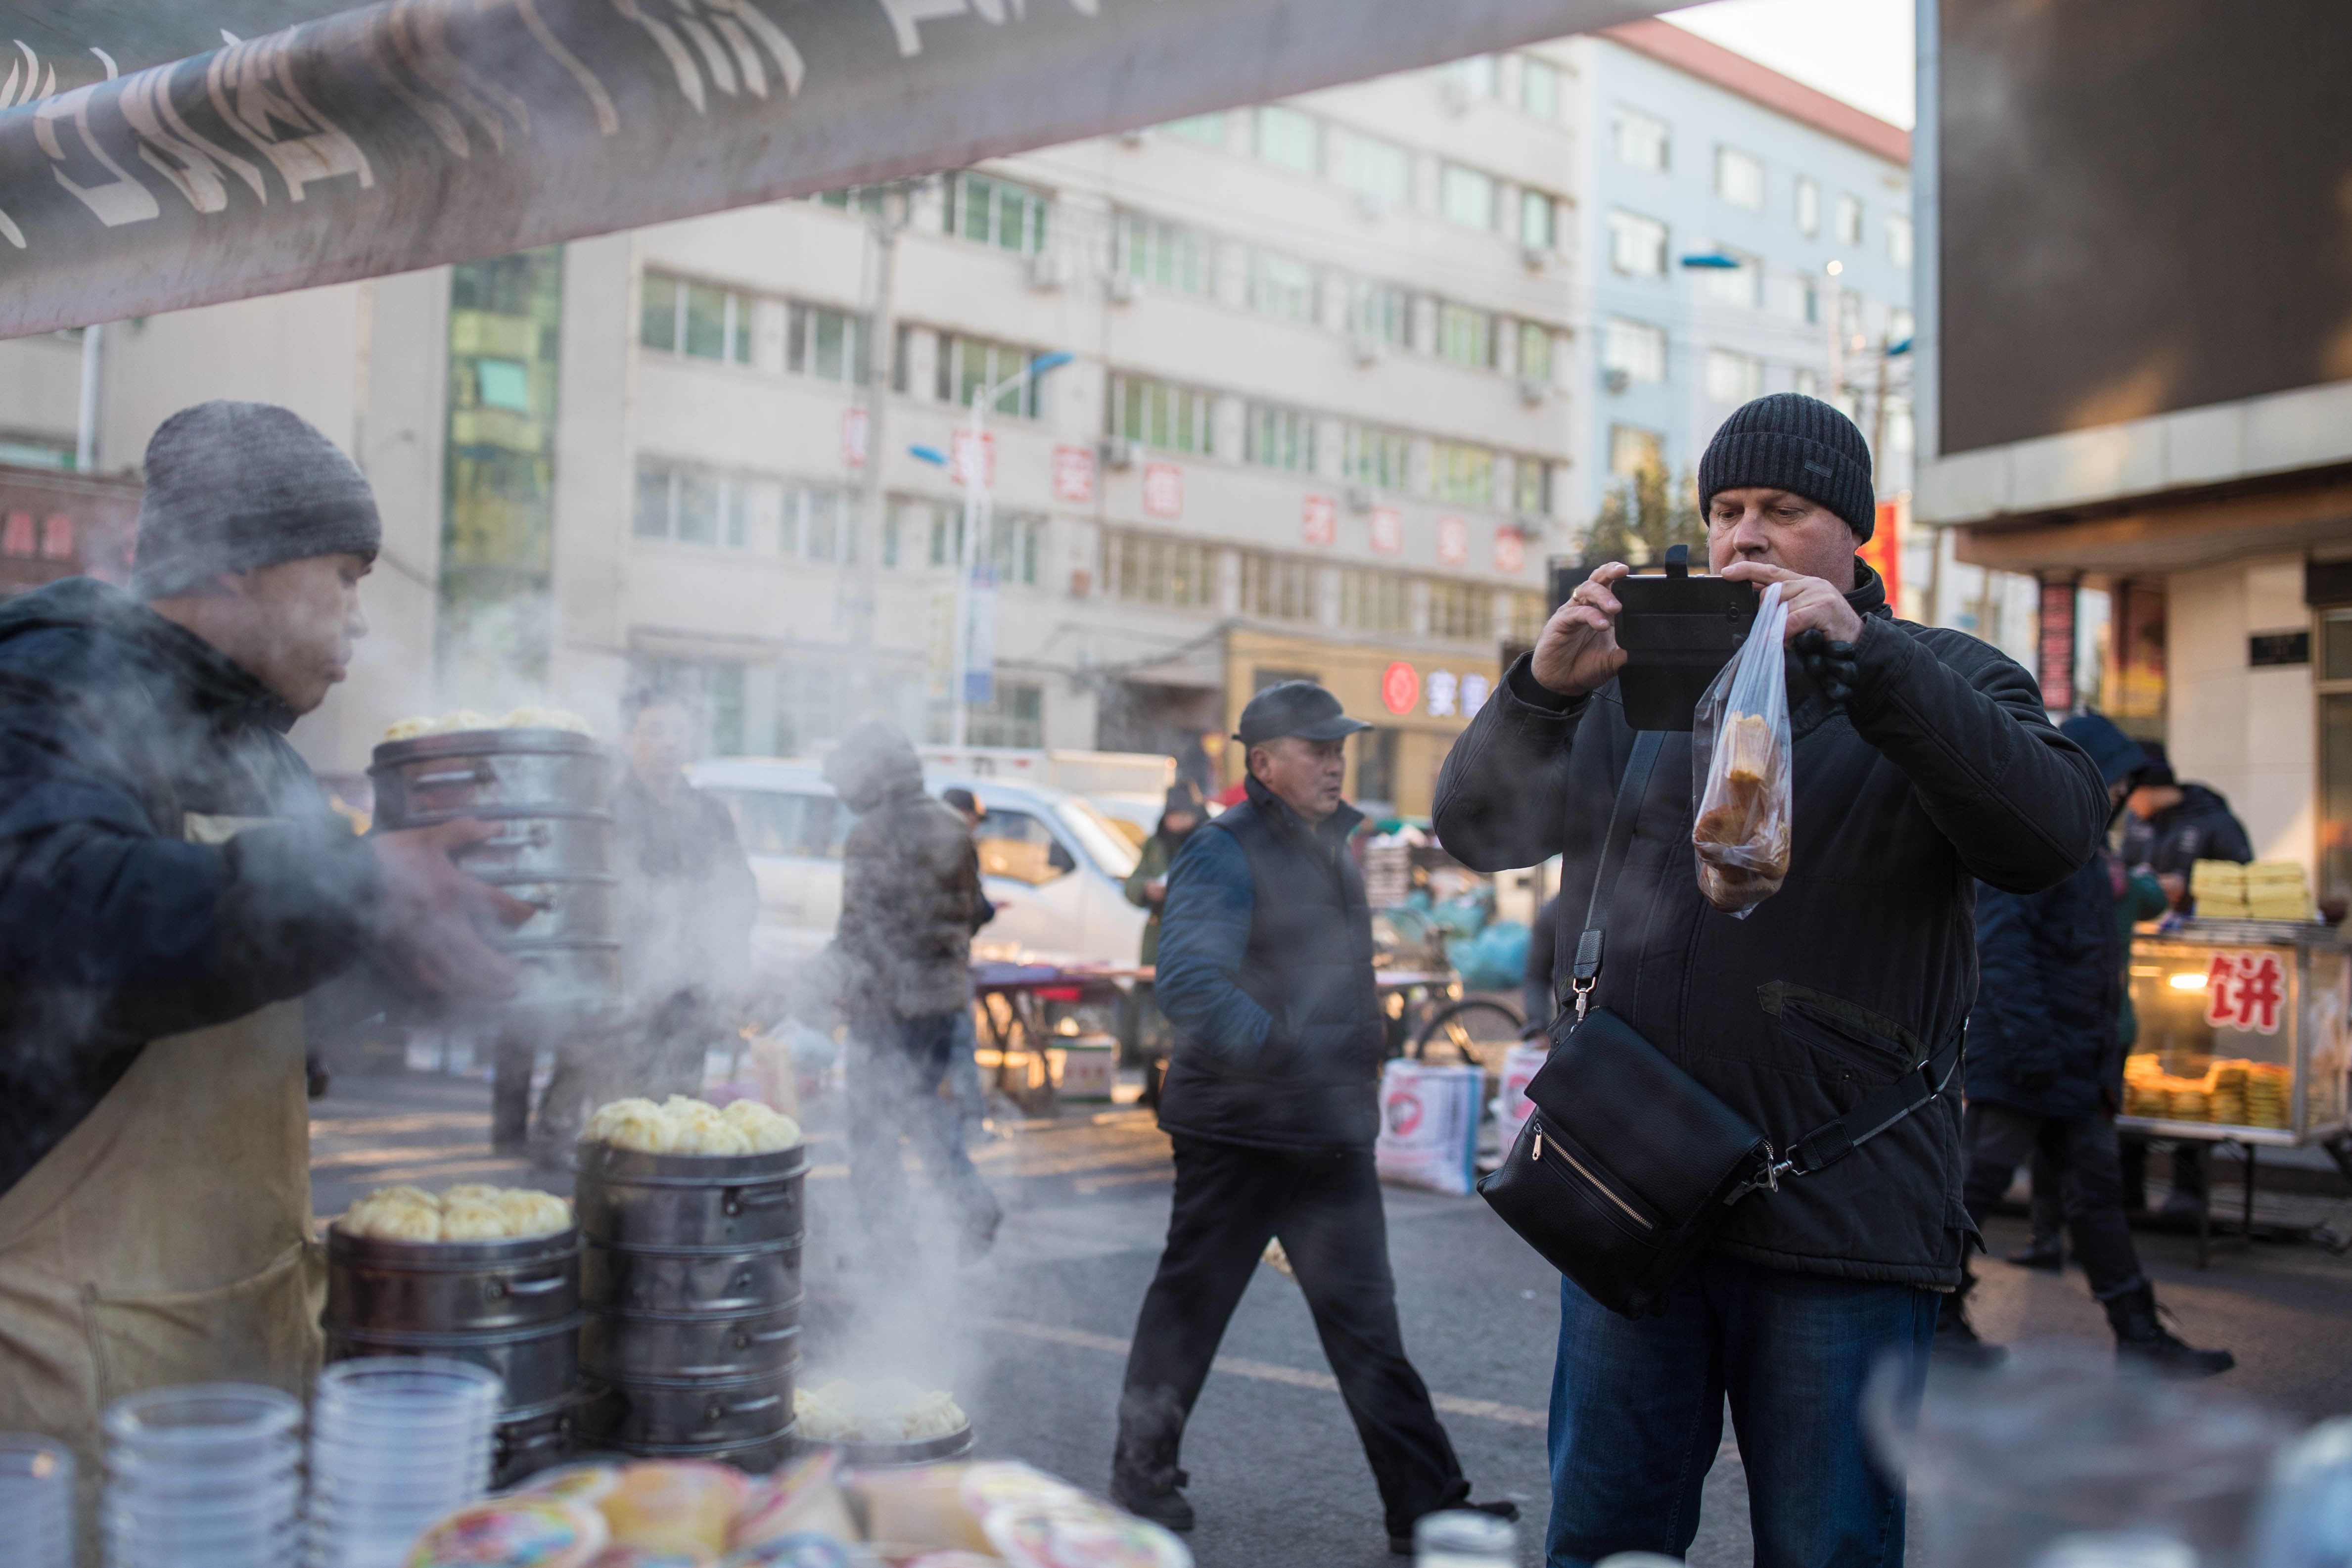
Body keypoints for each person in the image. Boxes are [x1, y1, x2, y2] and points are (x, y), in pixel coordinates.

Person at [1430, 393, 2107, 1568]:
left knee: (1828, 1543)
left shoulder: (1941, 675)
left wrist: (1871, 661)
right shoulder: (1642, 689)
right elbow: (1478, 830)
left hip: (1839, 1216)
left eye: (1781, 510)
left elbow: (2046, 835)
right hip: (1630, 1195)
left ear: (1852, 539)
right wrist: (1543, 687)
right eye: (1726, 510)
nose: (1744, 534)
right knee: (1602, 1532)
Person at [0, 400, 530, 1519]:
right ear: (236, 564)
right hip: (55, 1351)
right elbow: (53, 907)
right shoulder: (49, 687)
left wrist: (410, 962)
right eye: (342, 574)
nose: (357, 618)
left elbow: (264, 989)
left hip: (244, 1323)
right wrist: (361, 884)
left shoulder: (259, 753)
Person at [1111, 681, 1517, 1554]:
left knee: (1369, 1324)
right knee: (1192, 1307)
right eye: (1316, 748)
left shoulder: (1335, 841)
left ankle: (1429, 1508)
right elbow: (1189, 985)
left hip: (1328, 1130)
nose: (1337, 760)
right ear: (1263, 764)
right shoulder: (1225, 849)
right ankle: (1139, 1479)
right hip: (1241, 1131)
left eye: (1341, 746)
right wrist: (1293, 1052)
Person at [1937, 712, 2234, 1378]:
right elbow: (2003, 953)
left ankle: (2136, 1330)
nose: (2121, 795)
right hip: (2025, 1058)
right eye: (2116, 782)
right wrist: (2035, 1050)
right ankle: (1933, 1315)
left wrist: (2090, 1057)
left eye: (2127, 786)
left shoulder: (2092, 856)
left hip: (2074, 1062)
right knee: (1973, 1186)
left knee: (2092, 1196)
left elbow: (2091, 966)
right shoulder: (2034, 840)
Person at [526, 690, 759, 1154]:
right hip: (621, 992)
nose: (670, 743)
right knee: (623, 1125)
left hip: (689, 993)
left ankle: (665, 1215)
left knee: (678, 1119)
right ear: (628, 738)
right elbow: (578, 902)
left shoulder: (711, 813)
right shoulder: (602, 810)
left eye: (679, 731)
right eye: (655, 731)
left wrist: (729, 966)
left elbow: (741, 892)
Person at [826, 722, 1002, 1262]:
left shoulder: (872, 834)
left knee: (873, 1128)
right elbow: (976, 911)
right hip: (942, 999)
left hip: (887, 1005)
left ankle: (889, 1243)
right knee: (919, 1105)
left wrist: (810, 983)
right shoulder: (954, 824)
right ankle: (970, 1200)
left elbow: (859, 935)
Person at [2119, 743, 2255, 1216]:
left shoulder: (2213, 821)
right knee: (2136, 1074)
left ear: (2147, 788)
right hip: (2146, 970)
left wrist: (2189, 893)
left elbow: (2243, 888)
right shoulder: (2135, 824)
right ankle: (2127, 1188)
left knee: (2190, 1074)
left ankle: (2188, 1191)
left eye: (2128, 791)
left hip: (2196, 974)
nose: (2125, 801)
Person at [1121, 779, 1206, 1108]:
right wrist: (1146, 890)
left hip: (1199, 937)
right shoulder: (1155, 843)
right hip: (1158, 936)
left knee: (1190, 1012)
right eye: (1173, 815)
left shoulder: (1213, 841)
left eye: (1184, 815)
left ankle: (1187, 1088)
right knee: (1150, 1009)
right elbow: (1133, 882)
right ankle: (1151, 1087)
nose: (1178, 822)